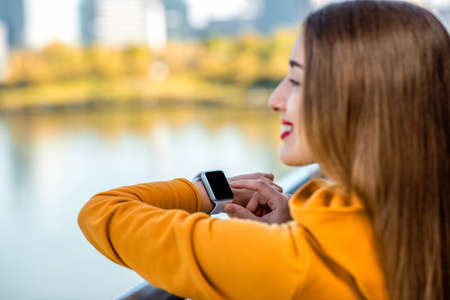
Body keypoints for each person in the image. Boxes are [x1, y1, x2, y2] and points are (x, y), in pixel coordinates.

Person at [78, 1, 449, 299]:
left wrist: (204, 193)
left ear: (361, 101)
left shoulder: (293, 261)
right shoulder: (426, 220)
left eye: (297, 80)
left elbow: (102, 213)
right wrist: (297, 221)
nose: (276, 98)